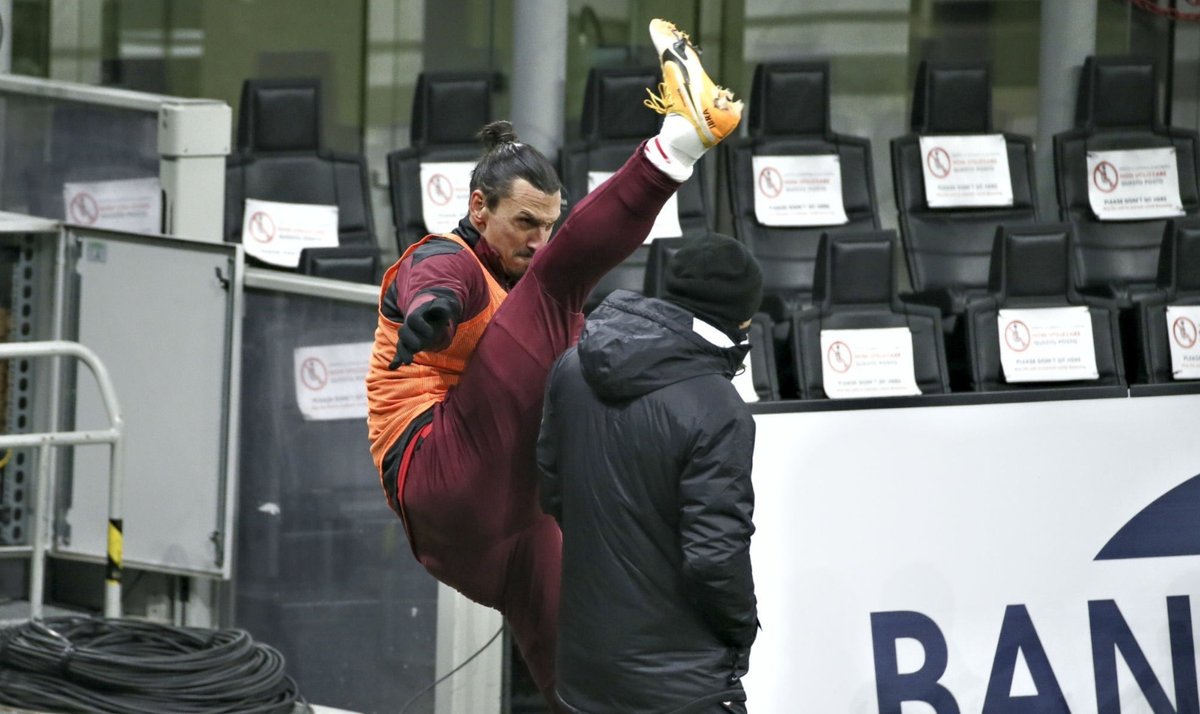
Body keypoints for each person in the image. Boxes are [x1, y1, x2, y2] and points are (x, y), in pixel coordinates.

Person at [365, 19, 744, 708]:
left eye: (549, 226)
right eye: (524, 225)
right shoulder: (445, 256)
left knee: (577, 664)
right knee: (561, 294)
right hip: (438, 470)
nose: (538, 242)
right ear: (479, 208)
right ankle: (679, 143)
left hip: (501, 528)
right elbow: (432, 282)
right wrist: (432, 314)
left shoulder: (522, 296)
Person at [538, 234, 763, 714]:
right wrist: (743, 630)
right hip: (681, 686)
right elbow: (714, 557)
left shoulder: (571, 367)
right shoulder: (719, 408)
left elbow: (553, 492)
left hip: (583, 672)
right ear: (741, 319)